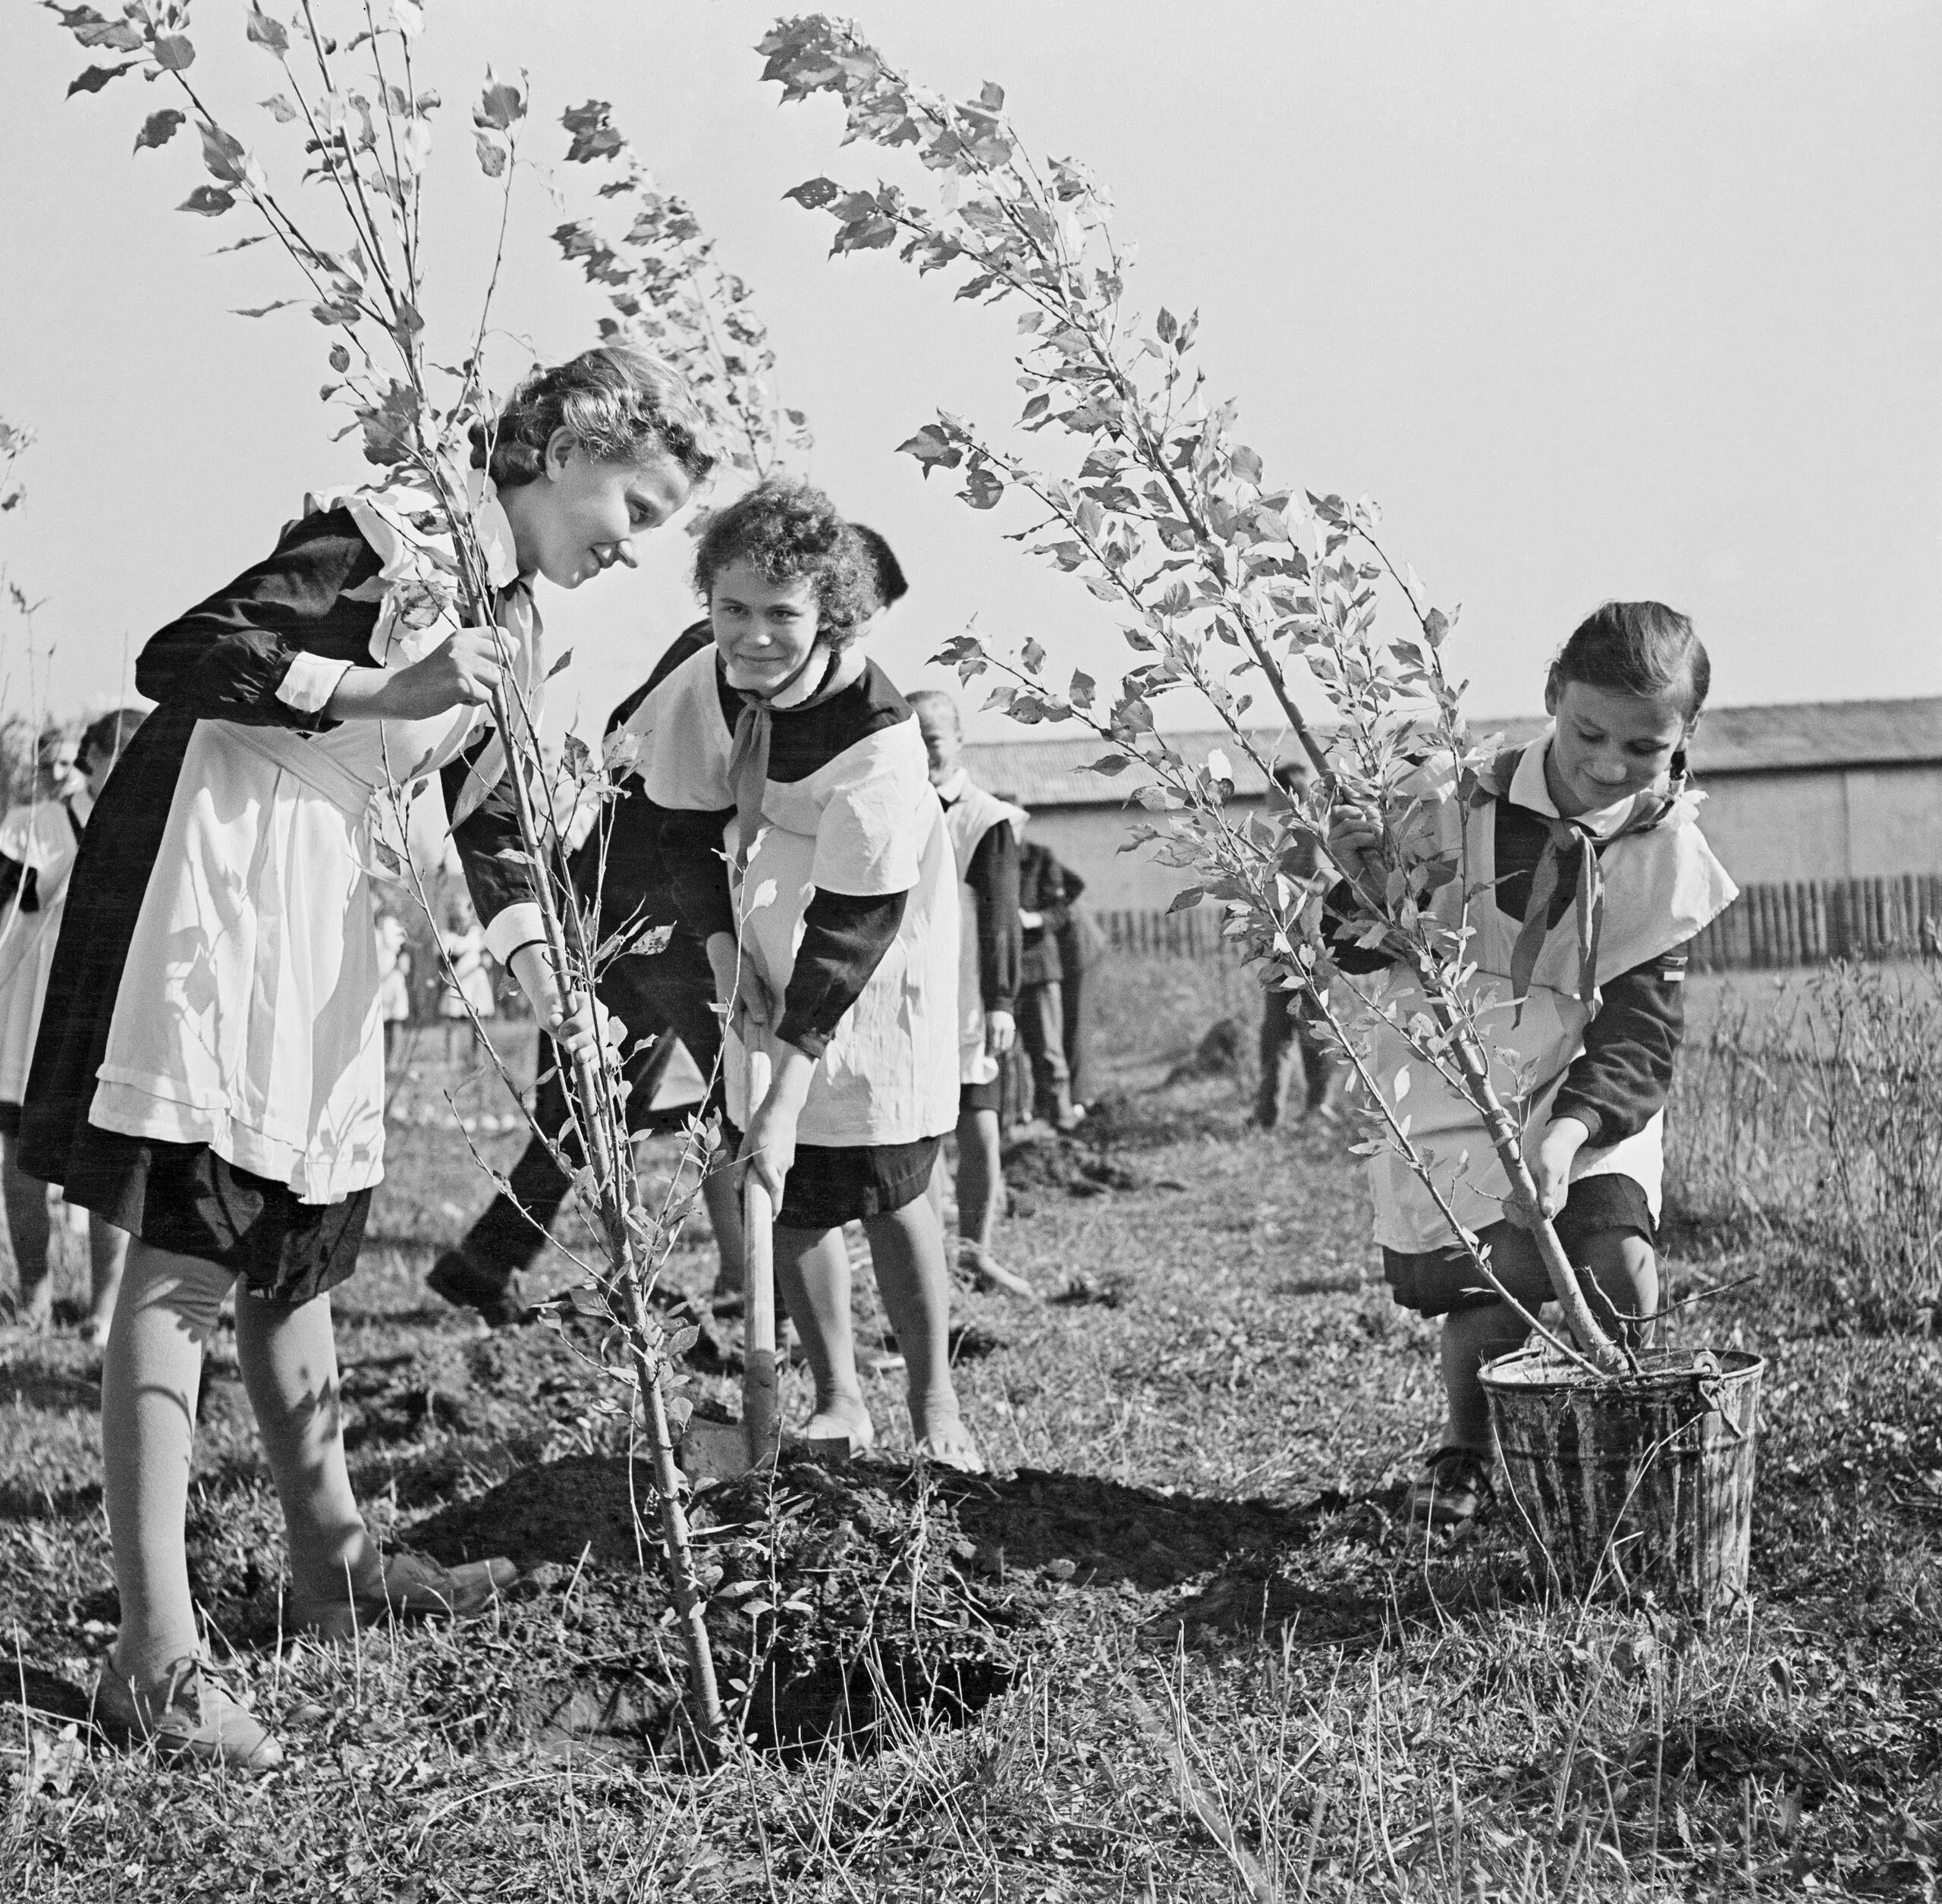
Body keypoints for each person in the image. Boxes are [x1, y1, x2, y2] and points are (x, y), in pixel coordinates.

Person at [20, 344, 712, 1768]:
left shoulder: (509, 621)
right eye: (633, 510)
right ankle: (154, 1657)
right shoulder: (386, 533)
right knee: (197, 1251)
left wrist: (552, 986)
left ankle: (332, 1570)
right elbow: (185, 658)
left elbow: (493, 826)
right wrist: (381, 687)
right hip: (224, 880)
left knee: (307, 1244)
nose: (633, 548)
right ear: (567, 447)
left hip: (331, 900)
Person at [1326, 602, 1737, 1529]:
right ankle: (1467, 1447)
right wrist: (1359, 889)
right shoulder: (1448, 802)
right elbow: (1359, 947)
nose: (1608, 763)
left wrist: (1567, 1132)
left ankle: (1619, 1447)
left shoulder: (1664, 850)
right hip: (1456, 1070)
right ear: (1552, 696)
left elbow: (1638, 1035)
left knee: (1615, 1253)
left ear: (1683, 737)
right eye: (1589, 731)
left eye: (1643, 746)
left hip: (1585, 1090)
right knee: (1499, 1280)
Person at [611, 479, 979, 1467]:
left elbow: (856, 925)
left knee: (883, 1164)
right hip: (757, 920)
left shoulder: (878, 734)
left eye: (783, 613)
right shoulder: (703, 681)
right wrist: (732, 970)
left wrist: (787, 1084)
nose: (754, 635)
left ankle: (936, 1401)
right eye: (733, 609)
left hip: (878, 940)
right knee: (797, 1188)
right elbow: (681, 829)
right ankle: (839, 1398)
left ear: (831, 612)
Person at [0, 712, 143, 1340]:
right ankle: (34, 1298)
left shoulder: (152, 828)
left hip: (110, 1012)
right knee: (23, 1155)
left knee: (106, 1157)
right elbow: (13, 908)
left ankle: (104, 1308)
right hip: (30, 1018)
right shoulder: (32, 825)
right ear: (91, 758)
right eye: (122, 755)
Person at [908, 692, 1038, 1300]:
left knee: (979, 1128)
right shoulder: (896, 809)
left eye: (935, 736)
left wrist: (1001, 1001)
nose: (927, 748)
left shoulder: (987, 817)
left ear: (959, 740)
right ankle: (932, 1263)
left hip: (964, 996)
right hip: (906, 997)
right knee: (918, 1138)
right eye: (914, 737)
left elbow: (1001, 917)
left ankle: (976, 1254)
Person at [1251, 760, 1339, 1130]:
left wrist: (1281, 886)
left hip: (1308, 953)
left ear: (1288, 793)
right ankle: (1267, 1115)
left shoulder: (1313, 836)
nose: (1267, 801)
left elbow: (1328, 884)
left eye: (1272, 792)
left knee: (1312, 1033)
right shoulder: (1287, 839)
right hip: (1280, 950)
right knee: (1275, 1034)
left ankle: (1318, 1108)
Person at [1015, 837, 1087, 1132]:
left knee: (1049, 1049)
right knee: (1009, 1055)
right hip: (1004, 971)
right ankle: (1025, 1119)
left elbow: (1062, 907)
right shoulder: (990, 856)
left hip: (1039, 968)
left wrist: (1034, 920)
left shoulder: (1040, 856)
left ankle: (1062, 1120)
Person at [375, 911, 413, 1069]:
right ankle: (381, 1062)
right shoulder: (368, 926)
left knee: (396, 1020)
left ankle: (394, 1062)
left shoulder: (391, 923)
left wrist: (403, 958)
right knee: (381, 1022)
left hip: (393, 978)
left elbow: (402, 947)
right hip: (378, 981)